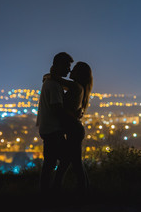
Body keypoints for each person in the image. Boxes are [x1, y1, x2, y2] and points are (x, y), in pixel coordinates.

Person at [51, 62, 93, 195]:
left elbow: (55, 78)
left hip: (74, 130)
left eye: (74, 70)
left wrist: (47, 76)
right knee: (75, 163)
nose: (70, 72)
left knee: (68, 163)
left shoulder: (75, 86)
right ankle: (84, 191)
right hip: (75, 129)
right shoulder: (80, 88)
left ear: (79, 73)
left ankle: (57, 190)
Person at [36, 52, 74, 194]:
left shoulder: (51, 82)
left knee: (50, 162)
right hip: (53, 130)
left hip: (48, 129)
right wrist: (72, 118)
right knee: (63, 159)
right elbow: (57, 108)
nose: (68, 70)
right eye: (67, 66)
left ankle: (47, 191)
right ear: (59, 65)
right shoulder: (53, 85)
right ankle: (53, 190)